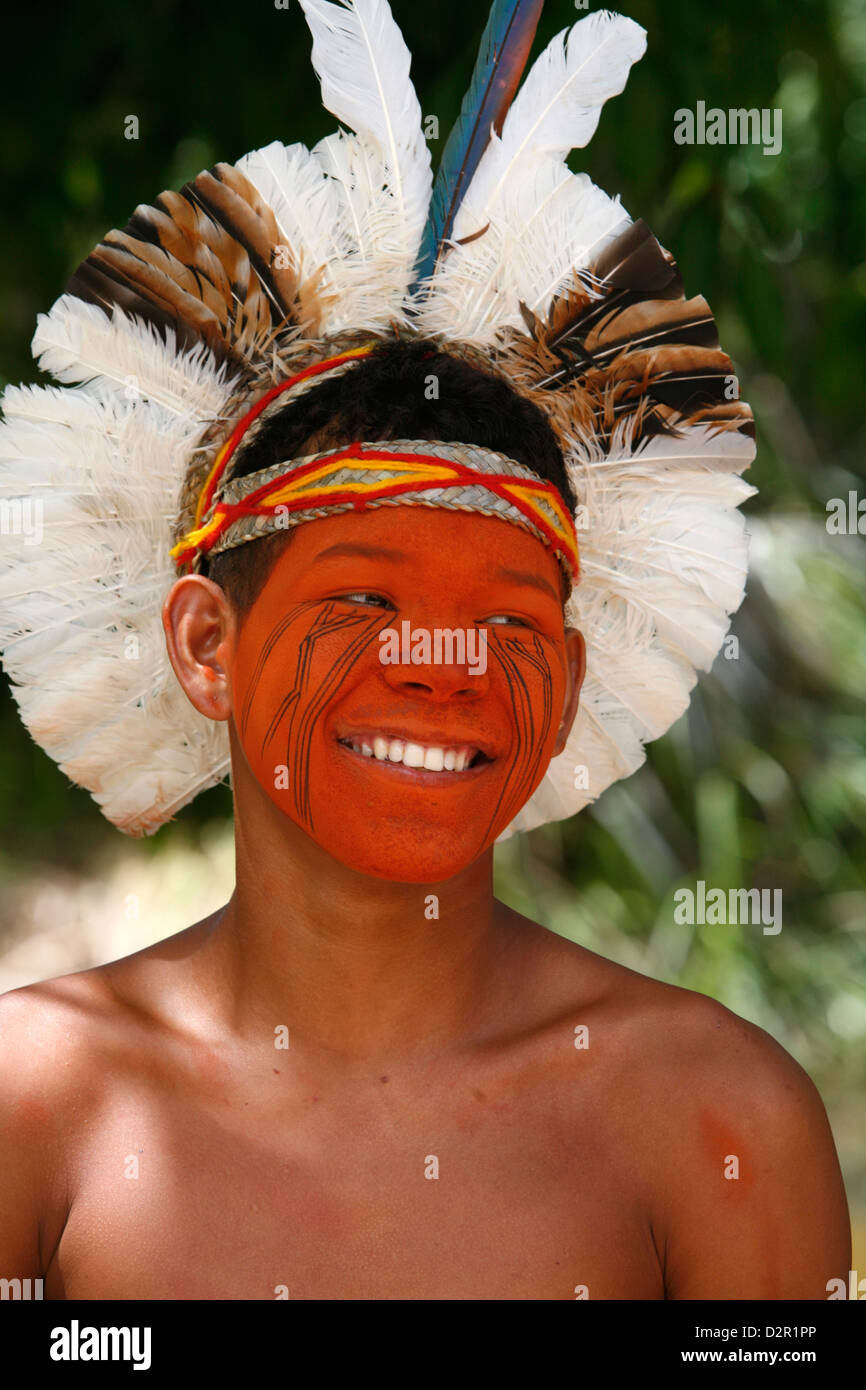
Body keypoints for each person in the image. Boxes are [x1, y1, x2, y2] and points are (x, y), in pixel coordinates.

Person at [0, 0, 850, 1299]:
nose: (445, 660)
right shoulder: (36, 1111)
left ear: (562, 684)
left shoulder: (714, 1122)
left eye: (510, 620)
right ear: (206, 643)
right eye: (362, 602)